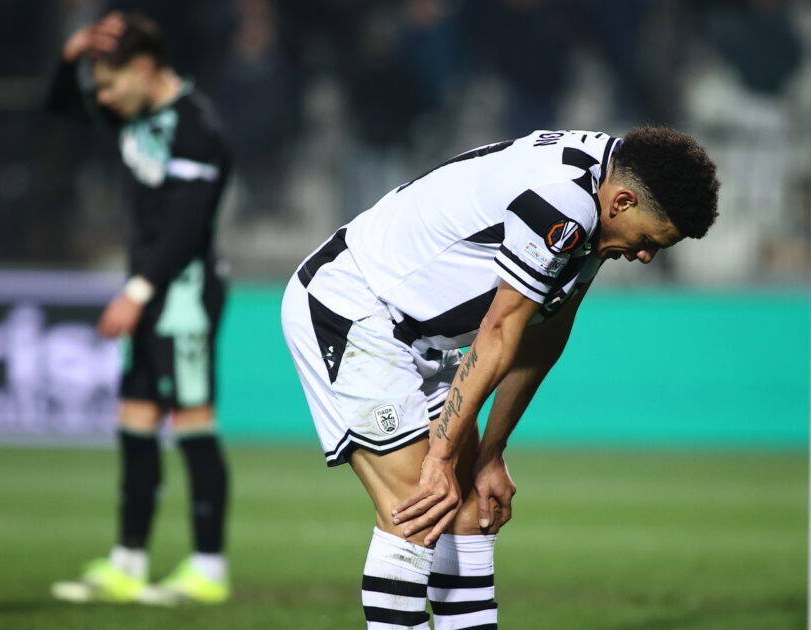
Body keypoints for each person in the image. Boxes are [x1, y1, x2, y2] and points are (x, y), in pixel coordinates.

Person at [281, 126, 719, 628]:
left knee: (470, 514)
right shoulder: (564, 203)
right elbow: (499, 330)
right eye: (647, 241)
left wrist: (491, 452)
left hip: (424, 337)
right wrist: (441, 457)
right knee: (419, 509)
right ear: (623, 202)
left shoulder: (602, 199)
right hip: (353, 308)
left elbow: (545, 332)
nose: (645, 256)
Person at [45, 12, 232, 605]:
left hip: (185, 298)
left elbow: (187, 225)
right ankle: (128, 561)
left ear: (145, 68)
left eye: (110, 83)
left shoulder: (197, 127)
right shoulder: (136, 113)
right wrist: (73, 54)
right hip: (150, 294)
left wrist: (138, 290)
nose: (102, 97)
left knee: (193, 424)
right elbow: (59, 107)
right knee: (135, 423)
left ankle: (208, 569)